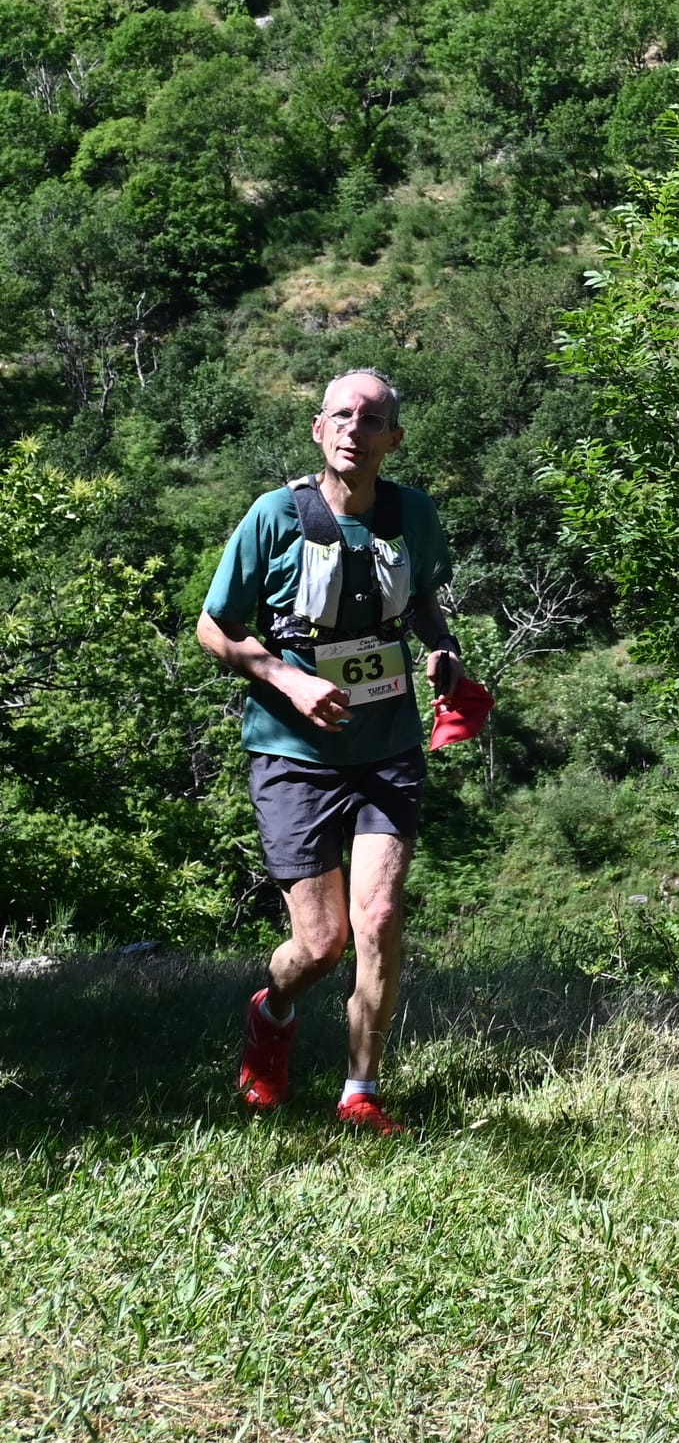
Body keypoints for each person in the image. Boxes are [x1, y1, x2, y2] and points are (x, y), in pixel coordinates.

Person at [197, 368, 473, 1135]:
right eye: (341, 415)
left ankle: (360, 1092)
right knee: (320, 946)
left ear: (394, 439)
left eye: (371, 418)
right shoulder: (275, 516)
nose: (355, 427)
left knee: (379, 916)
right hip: (294, 753)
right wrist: (288, 679)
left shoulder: (412, 514)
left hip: (387, 747)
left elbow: (425, 602)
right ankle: (272, 1012)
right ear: (319, 429)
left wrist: (443, 649)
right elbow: (214, 627)